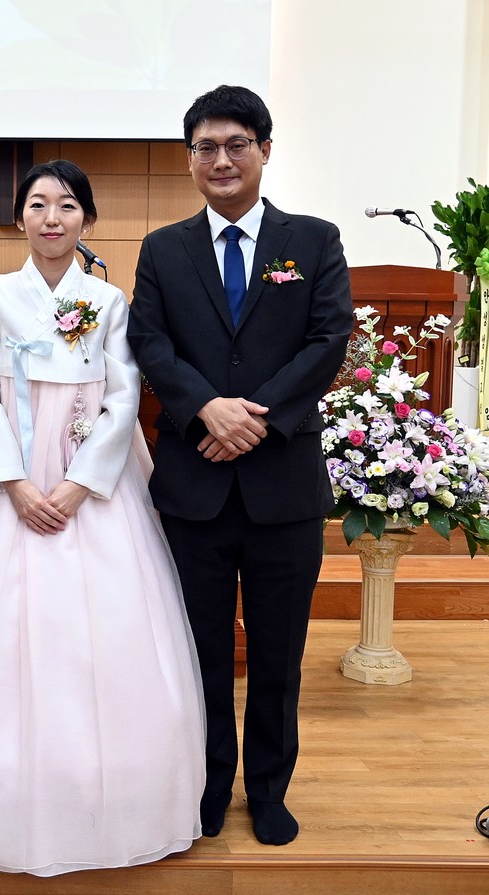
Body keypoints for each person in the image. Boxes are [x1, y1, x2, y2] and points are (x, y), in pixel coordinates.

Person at [0, 160, 205, 876]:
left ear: (87, 221)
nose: (51, 218)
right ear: (21, 218)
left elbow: (125, 396)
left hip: (88, 476)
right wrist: (11, 481)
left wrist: (77, 485)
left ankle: (116, 795)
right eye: (37, 205)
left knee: (102, 632)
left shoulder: (109, 298)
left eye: (67, 206)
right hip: (8, 480)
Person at [127, 85, 353, 845]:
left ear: (263, 149)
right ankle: (206, 783)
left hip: (281, 486)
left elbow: (327, 341)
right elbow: (151, 343)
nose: (220, 160)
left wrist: (252, 417)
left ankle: (268, 787)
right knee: (198, 655)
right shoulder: (163, 249)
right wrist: (204, 409)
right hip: (193, 489)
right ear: (189, 158)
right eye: (204, 147)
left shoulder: (313, 240)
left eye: (235, 145)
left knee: (279, 656)